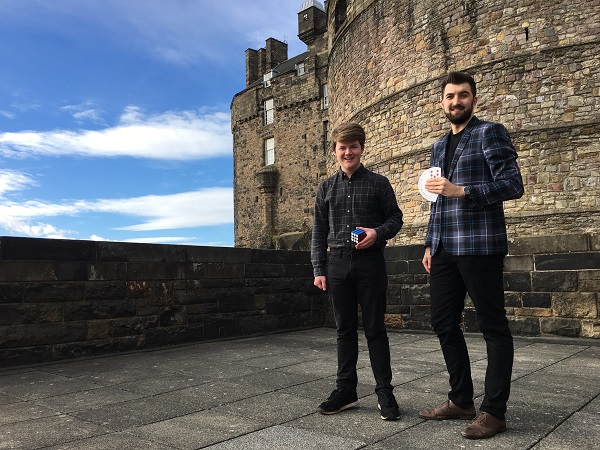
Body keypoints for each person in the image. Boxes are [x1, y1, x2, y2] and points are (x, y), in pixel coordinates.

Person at [419, 71, 524, 439]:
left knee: (493, 327)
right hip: (445, 248)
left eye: (463, 95)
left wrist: (461, 190)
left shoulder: (489, 132)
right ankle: (461, 399)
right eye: (449, 96)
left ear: (473, 100)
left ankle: (494, 411)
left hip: (480, 246)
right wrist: (430, 242)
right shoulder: (437, 146)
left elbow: (513, 185)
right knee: (442, 322)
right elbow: (436, 200)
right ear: (441, 102)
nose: (455, 102)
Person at [311, 122, 404, 421]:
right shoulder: (325, 188)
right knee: (344, 330)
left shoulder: (379, 183)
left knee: (376, 330)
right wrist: (318, 268)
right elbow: (319, 231)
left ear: (362, 148)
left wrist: (378, 233)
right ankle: (346, 390)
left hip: (370, 263)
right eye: (342, 147)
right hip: (336, 264)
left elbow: (396, 218)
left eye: (353, 146)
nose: (348, 152)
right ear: (335, 151)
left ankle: (384, 392)